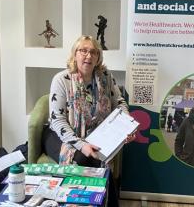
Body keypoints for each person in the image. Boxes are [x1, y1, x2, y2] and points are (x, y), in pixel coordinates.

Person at [42, 35, 135, 206]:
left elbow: (119, 102)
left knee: (98, 157)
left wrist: (127, 125)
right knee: (83, 158)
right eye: (83, 51)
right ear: (74, 54)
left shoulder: (106, 77)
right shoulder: (61, 80)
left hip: (96, 134)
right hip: (59, 134)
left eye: (93, 52)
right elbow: (58, 121)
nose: (88, 55)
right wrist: (81, 145)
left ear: (98, 57)